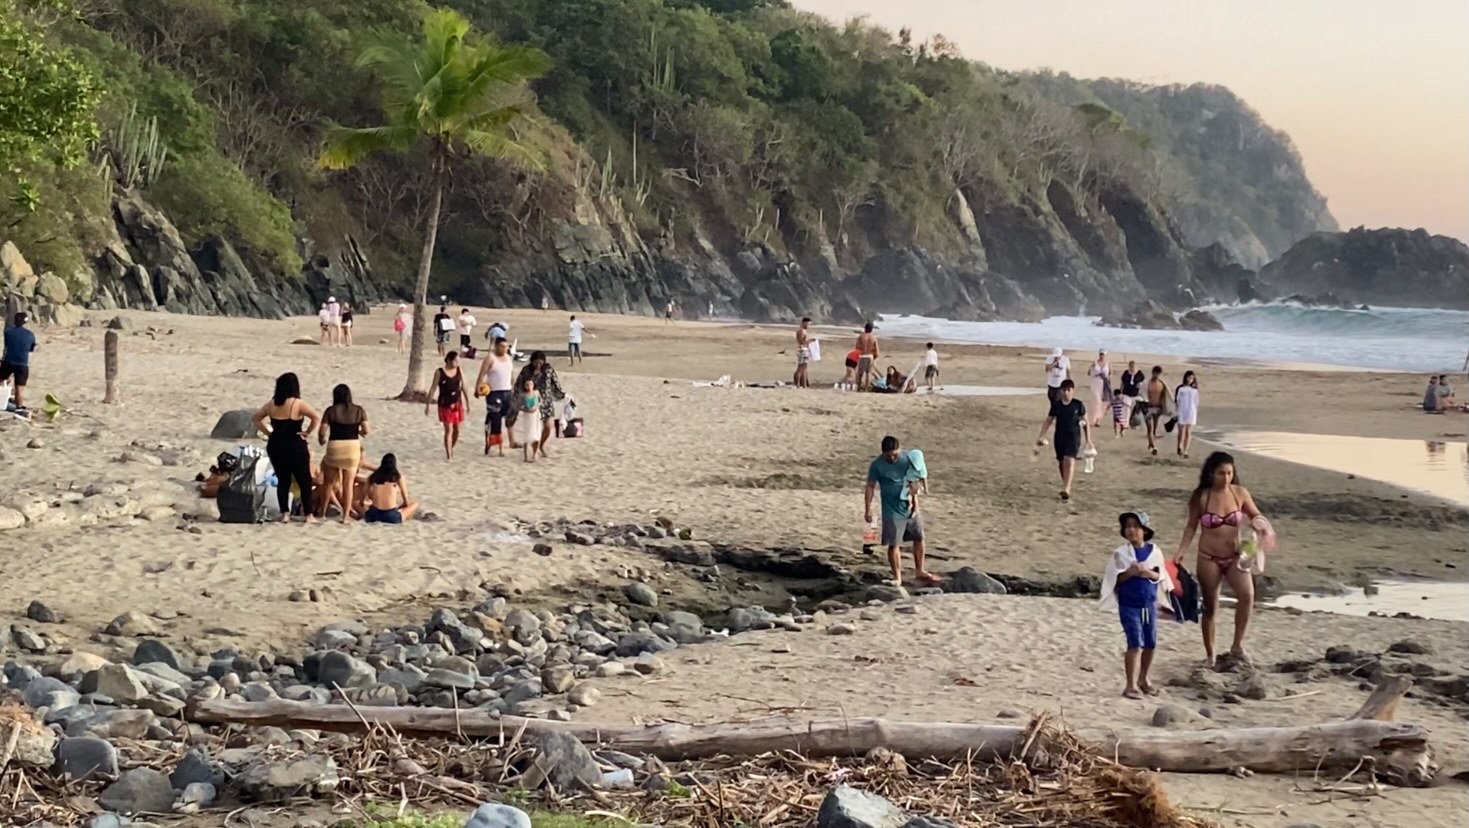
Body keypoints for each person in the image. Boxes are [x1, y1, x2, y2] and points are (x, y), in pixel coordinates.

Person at [1176, 452, 1265, 667]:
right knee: (1210, 607)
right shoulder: (1201, 497)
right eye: (1221, 473)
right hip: (1209, 558)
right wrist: (1181, 551)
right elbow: (1191, 525)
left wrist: (1259, 526)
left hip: (1236, 556)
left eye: (1229, 473)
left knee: (1247, 595)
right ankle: (1210, 654)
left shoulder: (1240, 493)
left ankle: (1237, 646)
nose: (1225, 478)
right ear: (1211, 473)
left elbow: (1257, 515)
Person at [1099, 512, 1172, 699]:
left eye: (1135, 526)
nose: (1131, 530)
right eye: (1127, 526)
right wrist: (1130, 572)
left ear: (1144, 530)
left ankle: (1144, 679)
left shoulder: (1154, 552)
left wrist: (1149, 573)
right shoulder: (1121, 553)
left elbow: (1161, 575)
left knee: (1150, 642)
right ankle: (1130, 685)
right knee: (1135, 643)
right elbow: (1114, 578)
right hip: (1129, 605)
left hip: (1147, 605)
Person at [864, 435, 939, 587]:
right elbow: (870, 486)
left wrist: (916, 499)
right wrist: (868, 508)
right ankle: (897, 577)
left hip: (910, 505)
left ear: (900, 450)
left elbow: (916, 478)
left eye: (895, 454)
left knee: (919, 537)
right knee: (894, 543)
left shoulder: (908, 459)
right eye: (888, 455)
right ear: (882, 453)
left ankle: (920, 570)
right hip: (891, 509)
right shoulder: (877, 465)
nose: (892, 458)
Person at [251, 372, 321, 523]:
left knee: (283, 480)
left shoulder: (271, 404)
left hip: (276, 444)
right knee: (304, 480)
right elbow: (316, 417)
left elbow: (255, 418)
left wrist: (268, 433)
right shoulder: (298, 403)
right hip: (294, 443)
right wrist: (307, 432)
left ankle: (285, 514)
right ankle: (308, 515)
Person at [317, 384, 368, 523]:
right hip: (352, 448)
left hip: (335, 447)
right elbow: (366, 430)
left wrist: (321, 440)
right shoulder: (359, 410)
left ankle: (323, 513)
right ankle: (345, 517)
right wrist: (359, 432)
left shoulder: (330, 411)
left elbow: (322, 431)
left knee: (329, 483)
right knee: (348, 484)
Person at [1036, 379, 1093, 500]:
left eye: (1069, 390)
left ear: (1072, 391)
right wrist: (1042, 436)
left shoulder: (1078, 404)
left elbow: (1086, 422)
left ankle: (1067, 488)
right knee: (1062, 462)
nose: (1066, 392)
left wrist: (1089, 440)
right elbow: (1048, 421)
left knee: (1069, 460)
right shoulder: (1057, 406)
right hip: (1059, 436)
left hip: (1074, 437)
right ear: (1061, 391)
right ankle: (1066, 484)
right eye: (1064, 390)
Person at [515, 351, 565, 459]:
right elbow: (518, 385)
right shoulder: (526, 370)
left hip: (546, 402)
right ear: (532, 361)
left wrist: (562, 395)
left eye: (540, 363)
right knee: (533, 429)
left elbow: (555, 383)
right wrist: (519, 400)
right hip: (532, 402)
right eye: (536, 363)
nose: (538, 365)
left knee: (548, 427)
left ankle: (541, 445)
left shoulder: (548, 369)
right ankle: (534, 449)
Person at [475, 336, 515, 456]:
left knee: (507, 417)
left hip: (507, 392)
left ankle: (491, 423)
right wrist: (477, 388)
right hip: (494, 393)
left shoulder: (509, 358)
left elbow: (511, 375)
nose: (504, 349)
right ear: (496, 346)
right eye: (502, 346)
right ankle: (496, 446)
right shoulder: (490, 358)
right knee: (496, 420)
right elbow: (482, 374)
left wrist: (514, 388)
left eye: (506, 346)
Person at [426, 351, 468, 461]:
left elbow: (464, 387)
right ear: (449, 360)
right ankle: (449, 454)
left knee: (457, 430)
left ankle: (451, 447)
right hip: (445, 404)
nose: (458, 363)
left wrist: (468, 402)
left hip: (457, 403)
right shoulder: (440, 372)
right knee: (448, 429)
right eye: (455, 360)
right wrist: (428, 405)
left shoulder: (459, 370)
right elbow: (433, 388)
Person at [363, 453, 417, 524]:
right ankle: (407, 518)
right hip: (391, 517)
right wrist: (399, 507)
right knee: (415, 504)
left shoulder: (372, 477)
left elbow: (363, 499)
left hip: (373, 515)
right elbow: (406, 501)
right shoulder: (398, 478)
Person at [1, 312, 38, 412]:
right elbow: (31, 348)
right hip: (22, 363)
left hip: (8, 362)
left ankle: (1, 399)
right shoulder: (30, 335)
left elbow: (7, 347)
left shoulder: (8, 332)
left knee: (1, 380)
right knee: (19, 388)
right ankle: (19, 407)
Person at [512, 377, 542, 462]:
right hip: (527, 416)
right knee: (527, 436)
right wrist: (526, 409)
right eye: (527, 384)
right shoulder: (523, 395)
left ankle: (534, 453)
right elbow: (517, 406)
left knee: (536, 434)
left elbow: (540, 401)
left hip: (535, 415)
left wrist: (536, 407)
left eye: (531, 384)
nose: (529, 386)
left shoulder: (536, 393)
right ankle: (525, 456)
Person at [1174, 370, 1200, 458]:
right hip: (1182, 410)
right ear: (1185, 378)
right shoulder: (1181, 389)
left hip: (1191, 411)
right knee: (1181, 431)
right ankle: (1179, 446)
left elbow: (1196, 402)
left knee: (1188, 431)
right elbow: (1177, 400)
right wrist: (1177, 411)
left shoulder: (1195, 390)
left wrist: (1194, 410)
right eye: (1189, 377)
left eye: (1192, 378)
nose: (1190, 380)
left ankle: (1186, 450)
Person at [1144, 366, 1168, 456]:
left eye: (1158, 374)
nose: (1157, 375)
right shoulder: (1147, 383)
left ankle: (1151, 444)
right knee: (1149, 428)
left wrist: (1164, 407)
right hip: (1148, 408)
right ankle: (1154, 447)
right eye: (1155, 373)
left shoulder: (1162, 384)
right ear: (1152, 373)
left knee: (1154, 429)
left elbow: (1165, 396)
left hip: (1158, 408)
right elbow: (1143, 394)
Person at [1087, 349, 1111, 427]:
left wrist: (1106, 378)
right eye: (1101, 354)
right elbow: (1088, 372)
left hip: (1104, 383)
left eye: (1103, 354)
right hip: (1095, 383)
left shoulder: (1108, 363)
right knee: (1096, 401)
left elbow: (1111, 373)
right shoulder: (1095, 363)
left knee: (1102, 401)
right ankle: (1093, 418)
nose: (1102, 356)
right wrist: (1094, 373)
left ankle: (1098, 420)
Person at [1119, 361, 1146, 427]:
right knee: (1127, 408)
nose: (1132, 368)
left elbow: (1143, 383)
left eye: (1133, 366)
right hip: (1126, 394)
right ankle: (1125, 423)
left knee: (1139, 407)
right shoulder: (1126, 373)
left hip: (1136, 395)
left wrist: (1141, 388)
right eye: (1130, 366)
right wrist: (1120, 392)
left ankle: (1135, 422)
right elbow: (1122, 383)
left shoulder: (1139, 373)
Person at [855, 323, 880, 391]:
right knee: (868, 373)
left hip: (861, 355)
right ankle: (866, 388)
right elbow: (877, 351)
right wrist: (874, 357)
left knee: (860, 373)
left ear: (865, 328)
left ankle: (859, 387)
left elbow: (857, 347)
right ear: (871, 329)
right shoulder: (873, 338)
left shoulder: (861, 336)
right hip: (870, 356)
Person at [794, 317, 813, 388]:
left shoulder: (801, 330)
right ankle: (799, 384)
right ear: (804, 323)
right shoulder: (802, 331)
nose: (808, 326)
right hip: (803, 349)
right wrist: (810, 341)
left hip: (802, 349)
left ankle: (802, 384)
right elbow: (802, 341)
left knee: (802, 367)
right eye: (808, 324)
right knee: (802, 368)